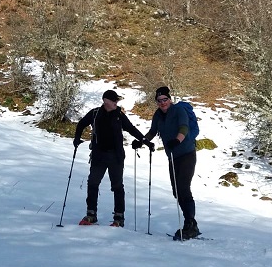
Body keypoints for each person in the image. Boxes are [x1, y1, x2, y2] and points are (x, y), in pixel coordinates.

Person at [73, 89, 149, 227]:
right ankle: (91, 214)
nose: (116, 103)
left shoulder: (119, 115)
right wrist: (77, 139)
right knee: (93, 183)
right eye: (114, 101)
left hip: (116, 157)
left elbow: (131, 129)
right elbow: (81, 124)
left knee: (117, 186)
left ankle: (119, 217)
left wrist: (145, 141)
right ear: (106, 101)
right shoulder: (95, 113)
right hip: (98, 156)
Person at [143, 85, 201, 239]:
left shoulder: (178, 111)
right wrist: (142, 141)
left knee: (183, 187)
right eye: (159, 100)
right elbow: (153, 131)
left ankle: (191, 224)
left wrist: (177, 140)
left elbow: (184, 128)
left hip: (187, 154)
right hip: (173, 157)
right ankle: (189, 222)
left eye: (165, 99)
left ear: (170, 99)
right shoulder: (158, 115)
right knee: (176, 190)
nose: (162, 103)